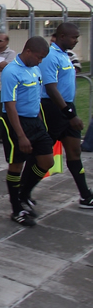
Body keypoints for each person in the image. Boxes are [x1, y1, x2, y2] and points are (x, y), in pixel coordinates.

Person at [37, 23, 93, 209]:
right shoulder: (50, 56)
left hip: (67, 107)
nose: (76, 40)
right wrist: (69, 114)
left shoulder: (65, 55)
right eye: (73, 37)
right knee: (43, 155)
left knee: (74, 152)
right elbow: (51, 88)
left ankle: (85, 195)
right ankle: (23, 192)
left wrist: (70, 111)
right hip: (54, 109)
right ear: (62, 36)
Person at [0, 36, 52, 226]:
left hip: (34, 121)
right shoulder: (11, 71)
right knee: (16, 165)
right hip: (17, 122)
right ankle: (16, 209)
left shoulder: (35, 69)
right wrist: (21, 135)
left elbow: (35, 98)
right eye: (39, 57)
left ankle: (24, 193)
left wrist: (40, 123)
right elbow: (10, 105)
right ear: (28, 51)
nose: (40, 61)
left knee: (47, 161)